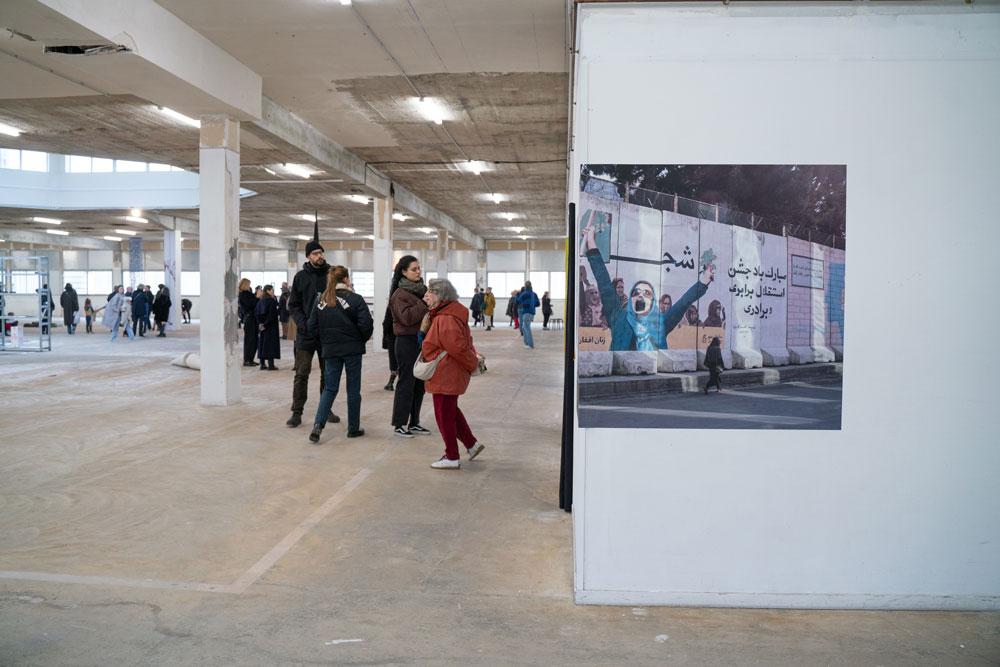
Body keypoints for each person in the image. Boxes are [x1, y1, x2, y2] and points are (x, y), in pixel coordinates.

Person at [580, 222, 711, 351]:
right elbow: (604, 283)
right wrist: (591, 241)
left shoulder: (660, 324)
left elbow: (683, 303)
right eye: (636, 293)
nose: (641, 296)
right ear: (631, 300)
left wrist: (703, 283)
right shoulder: (618, 318)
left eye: (647, 294)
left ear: (652, 303)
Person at [420, 278, 485, 470]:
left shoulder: (445, 318)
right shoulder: (448, 313)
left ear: (439, 295)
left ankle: (451, 456)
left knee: (443, 415)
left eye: (429, 292)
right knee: (450, 412)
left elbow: (457, 347)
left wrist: (473, 364)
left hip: (446, 372)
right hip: (448, 371)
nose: (426, 296)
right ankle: (472, 445)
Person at [308, 265, 373, 443]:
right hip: (352, 351)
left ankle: (318, 425)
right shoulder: (356, 299)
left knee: (329, 388)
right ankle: (353, 428)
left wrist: (325, 342)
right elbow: (366, 325)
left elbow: (312, 327)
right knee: (353, 389)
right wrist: (360, 340)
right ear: (346, 279)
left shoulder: (320, 300)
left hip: (331, 351)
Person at [287, 227, 340, 428]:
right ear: (308, 256)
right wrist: (302, 324)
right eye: (316, 253)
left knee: (328, 374)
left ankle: (326, 410)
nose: (320, 256)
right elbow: (294, 305)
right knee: (301, 373)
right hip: (306, 335)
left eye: (321, 253)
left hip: (327, 334)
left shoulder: (332, 274)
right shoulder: (300, 277)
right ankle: (296, 412)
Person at [388, 255, 431, 438]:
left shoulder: (421, 291)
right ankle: (399, 423)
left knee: (420, 384)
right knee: (406, 383)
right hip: (406, 342)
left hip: (422, 342)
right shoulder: (399, 295)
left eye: (419, 268)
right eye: (414, 269)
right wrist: (424, 304)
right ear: (404, 272)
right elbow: (407, 318)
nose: (418, 272)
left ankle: (414, 422)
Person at [254, 285, 280, 370]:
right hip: (270, 327)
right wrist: (266, 325)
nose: (273, 291)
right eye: (272, 290)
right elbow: (272, 316)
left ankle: (262, 364)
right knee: (270, 345)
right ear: (268, 291)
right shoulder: (271, 302)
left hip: (262, 327)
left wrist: (261, 325)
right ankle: (271, 364)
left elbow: (256, 313)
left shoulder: (260, 301)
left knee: (262, 344)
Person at [238, 278, 258, 366]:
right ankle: (247, 360)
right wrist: (257, 297)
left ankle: (251, 359)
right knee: (249, 340)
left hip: (253, 318)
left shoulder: (248, 294)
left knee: (254, 340)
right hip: (249, 319)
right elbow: (250, 304)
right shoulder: (243, 295)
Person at [517, 281, 540, 349]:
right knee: (525, 328)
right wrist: (532, 304)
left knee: (527, 328)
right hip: (532, 313)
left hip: (526, 313)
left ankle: (530, 344)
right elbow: (538, 304)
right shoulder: (534, 294)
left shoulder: (524, 294)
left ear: (525, 286)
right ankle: (526, 343)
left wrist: (517, 294)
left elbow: (518, 301)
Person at [381, 303, 398, 391]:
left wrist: (385, 337)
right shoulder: (414, 301)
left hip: (393, 336)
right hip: (408, 337)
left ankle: (391, 382)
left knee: (394, 360)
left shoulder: (393, 304)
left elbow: (386, 323)